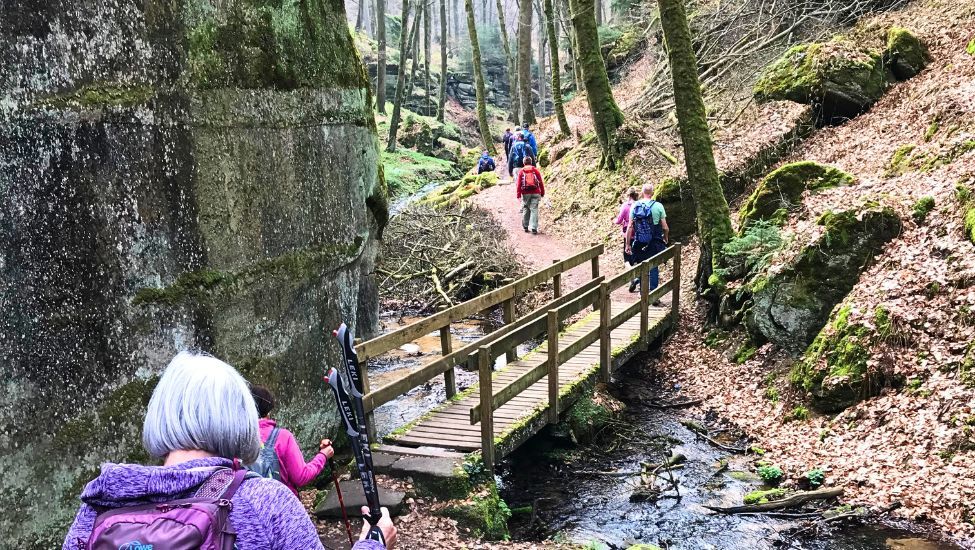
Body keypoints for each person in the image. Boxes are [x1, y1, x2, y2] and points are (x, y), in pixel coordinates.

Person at [62, 352, 397, 550]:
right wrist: (375, 542)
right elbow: (302, 475)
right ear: (241, 419)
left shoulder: (98, 506)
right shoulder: (266, 501)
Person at [249, 385, 335, 496]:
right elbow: (301, 477)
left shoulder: (235, 441)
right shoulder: (282, 437)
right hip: (284, 507)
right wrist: (323, 455)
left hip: (249, 509)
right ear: (269, 410)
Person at [625, 183, 669, 298]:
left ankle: (642, 292)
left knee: (640, 265)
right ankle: (653, 294)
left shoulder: (635, 206)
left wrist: (628, 244)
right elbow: (665, 227)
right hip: (654, 241)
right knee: (653, 266)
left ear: (642, 192)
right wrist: (665, 238)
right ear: (652, 192)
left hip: (639, 241)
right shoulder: (658, 206)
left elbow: (630, 227)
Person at [517, 156, 545, 234]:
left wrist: (518, 194)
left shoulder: (521, 171)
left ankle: (525, 226)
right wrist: (542, 192)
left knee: (526, 208)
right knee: (534, 209)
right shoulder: (535, 170)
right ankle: (534, 228)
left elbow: (519, 184)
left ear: (524, 163)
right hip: (536, 192)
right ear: (531, 162)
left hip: (526, 193)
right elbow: (540, 182)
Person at [614, 187, 641, 267]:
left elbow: (619, 220)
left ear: (628, 195)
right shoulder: (640, 204)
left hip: (628, 232)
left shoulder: (625, 205)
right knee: (637, 253)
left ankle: (631, 276)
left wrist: (614, 221)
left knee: (627, 257)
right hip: (639, 232)